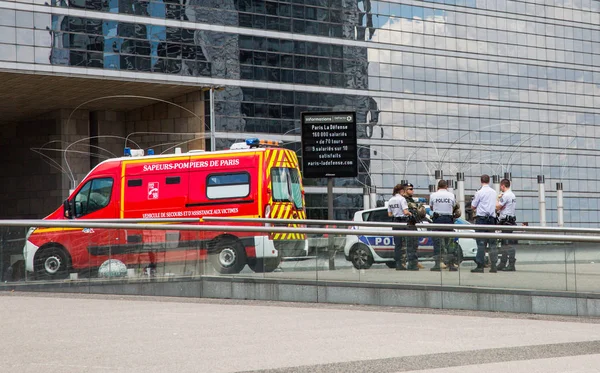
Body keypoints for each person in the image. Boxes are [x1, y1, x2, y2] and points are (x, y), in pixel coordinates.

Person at [470, 174, 498, 273]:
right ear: (489, 181)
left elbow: (473, 206)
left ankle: (480, 266)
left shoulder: (479, 192)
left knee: (481, 243)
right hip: (491, 220)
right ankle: (494, 265)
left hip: (481, 219)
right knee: (492, 243)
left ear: (481, 181)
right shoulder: (494, 192)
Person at [429, 180, 458, 271]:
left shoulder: (433, 195)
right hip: (448, 219)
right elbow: (453, 206)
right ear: (446, 186)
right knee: (449, 242)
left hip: (438, 219)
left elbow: (431, 207)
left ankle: (437, 264)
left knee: (437, 241)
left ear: (438, 187)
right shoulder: (451, 195)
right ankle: (451, 264)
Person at [387, 184, 411, 270]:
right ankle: (403, 263)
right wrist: (410, 213)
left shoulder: (390, 200)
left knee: (397, 244)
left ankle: (398, 263)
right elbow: (405, 212)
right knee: (404, 243)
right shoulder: (402, 199)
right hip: (402, 222)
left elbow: (389, 214)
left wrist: (396, 213)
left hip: (395, 222)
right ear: (401, 191)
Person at [496, 178, 517, 271]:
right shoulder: (512, 195)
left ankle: (510, 264)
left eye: (501, 186)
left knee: (507, 243)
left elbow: (497, 207)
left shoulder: (505, 195)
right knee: (506, 243)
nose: (500, 188)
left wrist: (498, 198)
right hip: (510, 221)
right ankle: (503, 263)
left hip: (505, 221)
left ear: (503, 186)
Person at [403, 183, 423, 271]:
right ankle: (411, 264)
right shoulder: (403, 200)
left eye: (412, 189)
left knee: (414, 245)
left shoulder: (411, 200)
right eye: (410, 189)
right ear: (405, 190)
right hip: (407, 224)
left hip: (413, 224)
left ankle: (414, 262)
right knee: (410, 245)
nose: (412, 190)